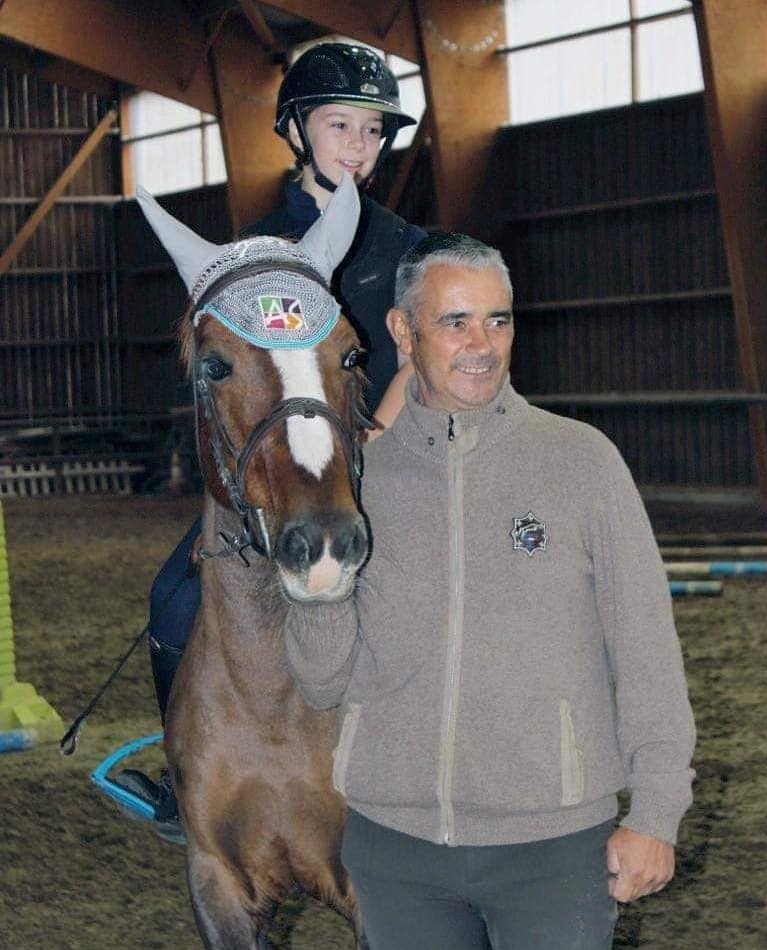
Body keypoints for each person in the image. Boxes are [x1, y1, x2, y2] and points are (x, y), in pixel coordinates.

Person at [283, 233, 697, 949]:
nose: (482, 344)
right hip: (394, 846)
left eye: (497, 320)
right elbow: (321, 685)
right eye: (455, 322)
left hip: (554, 846)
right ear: (402, 332)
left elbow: (645, 650)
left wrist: (655, 814)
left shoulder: (581, 462)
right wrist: (314, 596)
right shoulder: (356, 482)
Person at [117, 42, 425, 833]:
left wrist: (380, 437)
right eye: (340, 125)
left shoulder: (410, 249)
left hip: (386, 451)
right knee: (172, 594)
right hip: (276, 470)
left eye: (371, 131)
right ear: (295, 130)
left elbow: (422, 356)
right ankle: (189, 776)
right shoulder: (250, 251)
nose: (358, 146)